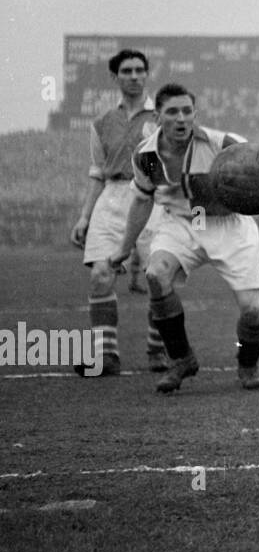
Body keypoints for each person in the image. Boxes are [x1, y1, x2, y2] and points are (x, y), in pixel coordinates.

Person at [107, 83, 259, 393]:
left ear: (195, 114)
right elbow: (142, 200)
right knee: (155, 274)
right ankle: (181, 359)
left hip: (228, 225)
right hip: (180, 222)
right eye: (172, 112)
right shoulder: (147, 156)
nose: (181, 119)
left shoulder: (223, 143)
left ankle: (248, 365)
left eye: (187, 111)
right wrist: (124, 248)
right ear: (158, 116)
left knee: (252, 310)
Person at [68, 48, 167, 376]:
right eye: (127, 71)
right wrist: (84, 215)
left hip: (152, 197)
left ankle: (157, 348)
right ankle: (106, 357)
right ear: (115, 77)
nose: (135, 76)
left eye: (140, 70)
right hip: (111, 199)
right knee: (100, 275)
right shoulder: (102, 122)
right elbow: (97, 170)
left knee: (158, 276)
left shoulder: (163, 117)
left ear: (146, 74)